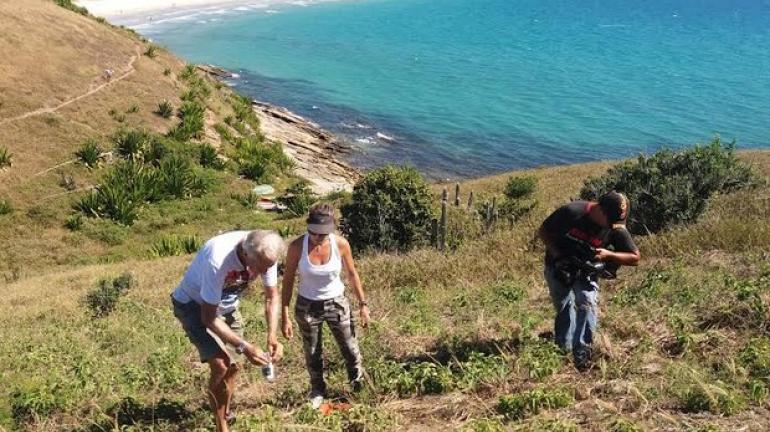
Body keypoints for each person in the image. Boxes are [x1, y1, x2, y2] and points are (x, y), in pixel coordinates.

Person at [171, 230, 285, 432]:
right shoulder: (218, 258)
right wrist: (245, 346)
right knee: (222, 365)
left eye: (266, 268)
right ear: (246, 254)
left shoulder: (267, 252)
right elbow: (209, 318)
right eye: (257, 267)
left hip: (227, 305)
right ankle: (221, 426)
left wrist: (272, 335)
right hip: (193, 305)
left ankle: (224, 409)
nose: (259, 273)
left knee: (234, 366)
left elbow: (271, 297)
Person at [537, 191, 641, 371]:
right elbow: (544, 231)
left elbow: (635, 257)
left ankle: (583, 352)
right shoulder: (572, 212)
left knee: (586, 301)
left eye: (618, 221)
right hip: (557, 265)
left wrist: (609, 254)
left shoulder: (616, 226)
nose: (614, 226)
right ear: (600, 210)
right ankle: (563, 346)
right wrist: (558, 255)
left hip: (585, 271)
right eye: (611, 221)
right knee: (563, 305)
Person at [281, 203, 370, 409]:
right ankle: (318, 390)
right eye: (313, 233)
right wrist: (284, 313)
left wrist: (363, 304)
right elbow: (287, 281)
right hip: (307, 306)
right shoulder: (296, 247)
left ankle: (358, 384)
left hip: (337, 303)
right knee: (312, 351)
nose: (316, 238)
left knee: (350, 347)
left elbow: (352, 274)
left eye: (322, 235)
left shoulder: (341, 244)